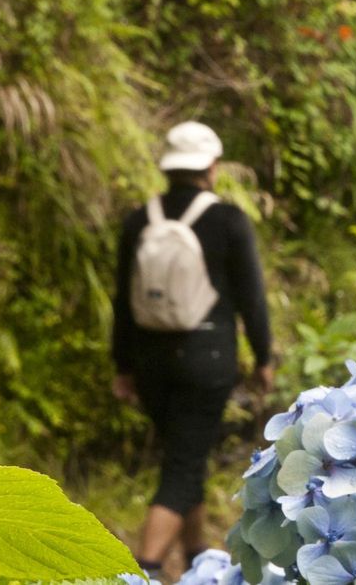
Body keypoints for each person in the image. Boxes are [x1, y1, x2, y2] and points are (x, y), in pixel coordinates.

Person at [111, 121, 273, 577]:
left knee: (185, 456)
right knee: (182, 467)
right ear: (212, 166)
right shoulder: (227, 220)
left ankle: (198, 557)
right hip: (208, 359)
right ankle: (144, 570)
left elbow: (121, 302)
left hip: (150, 362)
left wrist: (122, 367)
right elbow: (252, 299)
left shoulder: (139, 220)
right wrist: (263, 358)